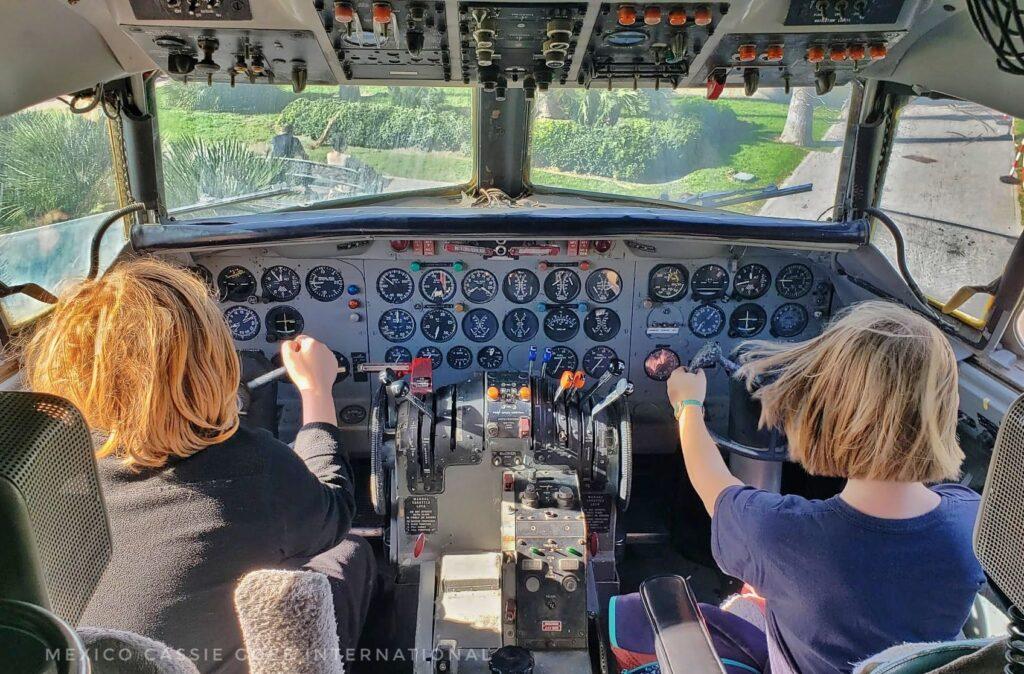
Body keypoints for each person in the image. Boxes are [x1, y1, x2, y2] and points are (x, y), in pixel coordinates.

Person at [22, 258, 374, 673]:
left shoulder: (34, 478)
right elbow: (334, 510)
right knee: (351, 550)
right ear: (214, 367)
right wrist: (316, 391)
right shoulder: (254, 469)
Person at [609, 301, 985, 674]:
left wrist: (687, 403)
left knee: (620, 619)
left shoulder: (781, 536)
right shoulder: (975, 523)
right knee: (757, 595)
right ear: (944, 411)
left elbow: (711, 482)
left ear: (821, 411)